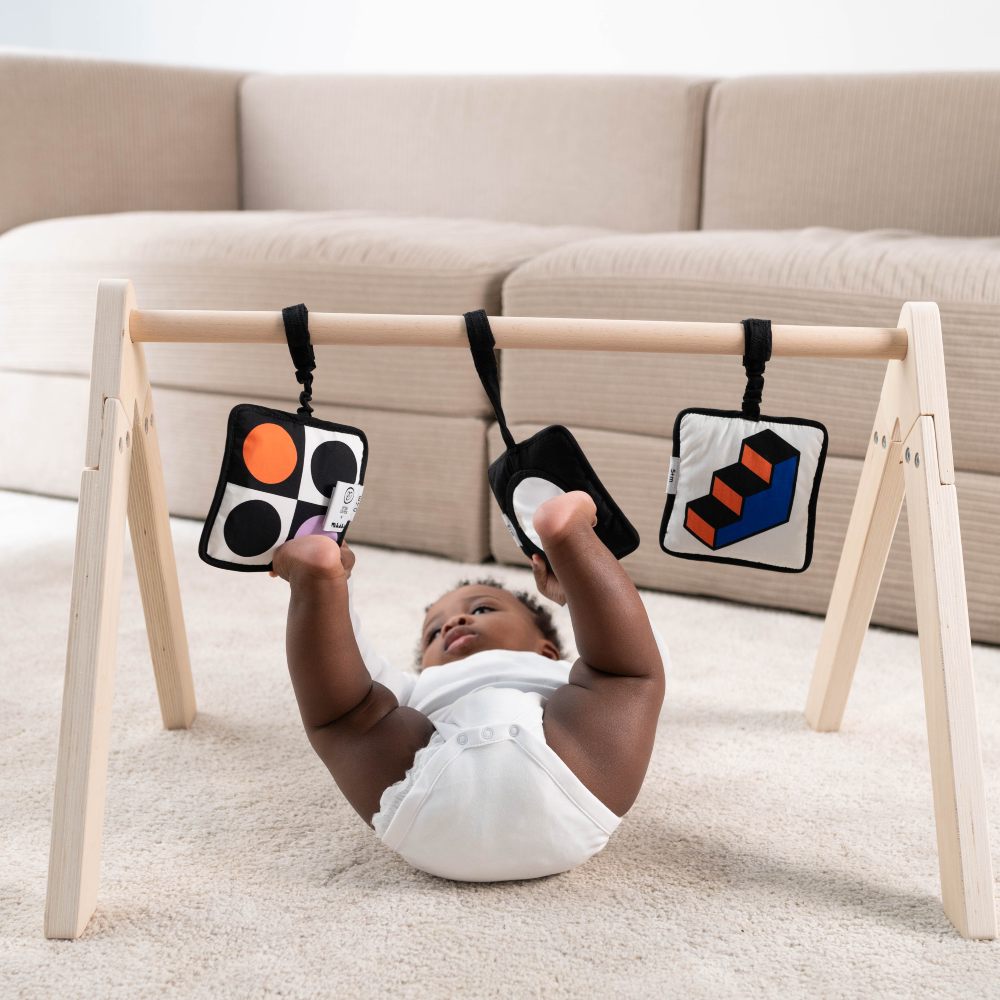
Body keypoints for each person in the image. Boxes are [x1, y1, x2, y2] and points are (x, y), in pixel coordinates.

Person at [269, 490, 668, 881]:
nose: (453, 623)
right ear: (424, 661)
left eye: (481, 608)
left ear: (547, 648)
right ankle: (566, 533)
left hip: (428, 813)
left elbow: (621, 638)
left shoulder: (562, 669)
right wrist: (343, 584)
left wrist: (576, 597)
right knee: (629, 676)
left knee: (344, 718)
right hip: (573, 795)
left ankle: (315, 580)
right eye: (433, 633)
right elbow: (350, 656)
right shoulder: (417, 685)